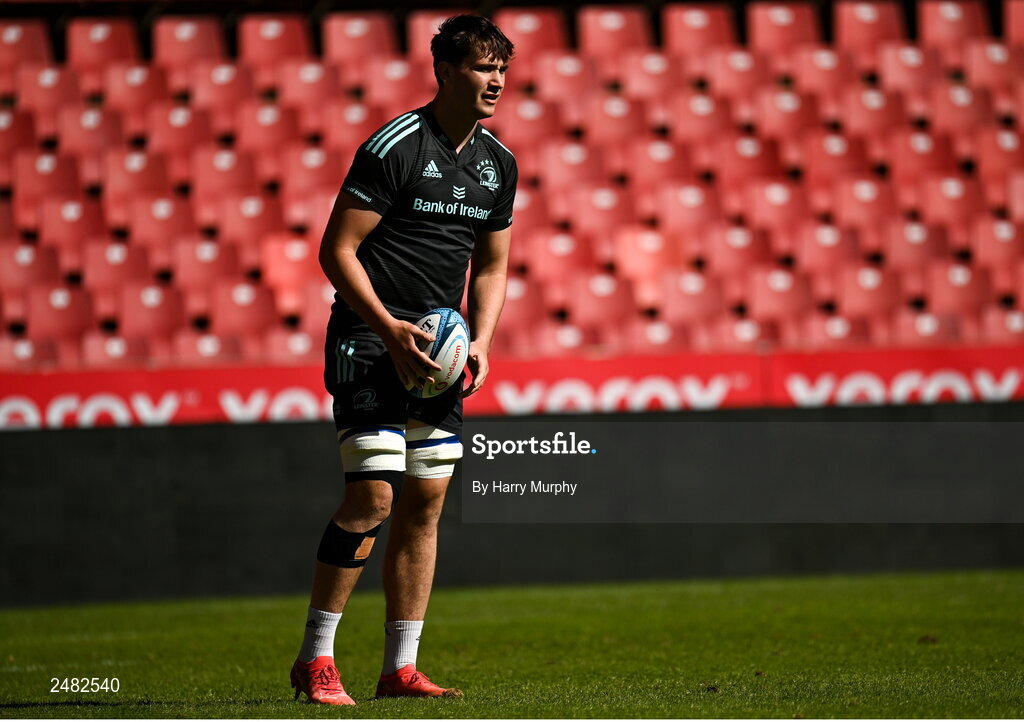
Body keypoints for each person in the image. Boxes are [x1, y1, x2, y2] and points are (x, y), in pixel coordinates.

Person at [289, 15, 516, 706]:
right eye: (481, 67)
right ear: (445, 72)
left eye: (501, 68)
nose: (496, 80)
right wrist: (389, 329)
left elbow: (493, 265)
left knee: (424, 502)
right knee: (374, 497)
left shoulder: (498, 164)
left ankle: (400, 668)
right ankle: (316, 658)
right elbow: (337, 250)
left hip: (439, 359)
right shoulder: (395, 146)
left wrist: (480, 340)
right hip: (367, 340)